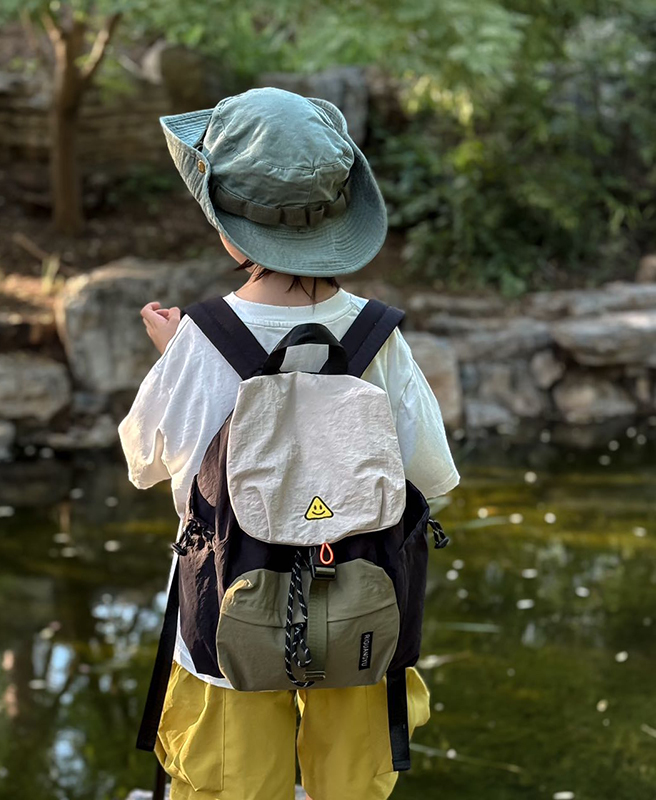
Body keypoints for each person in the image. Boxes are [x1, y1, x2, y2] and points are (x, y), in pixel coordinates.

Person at [120, 87, 460, 800]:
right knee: (349, 785)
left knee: (230, 783)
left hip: (226, 619)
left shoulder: (199, 342)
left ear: (231, 233)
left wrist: (173, 351)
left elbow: (145, 463)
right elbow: (431, 472)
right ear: (336, 222)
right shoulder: (378, 337)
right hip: (364, 617)